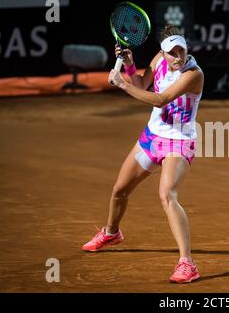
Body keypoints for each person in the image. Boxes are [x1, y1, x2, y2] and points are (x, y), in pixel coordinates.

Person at [82, 25, 204, 284]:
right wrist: (129, 66)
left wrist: (121, 86)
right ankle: (111, 232)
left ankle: (188, 263)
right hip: (152, 138)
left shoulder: (193, 74)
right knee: (119, 190)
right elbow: (142, 84)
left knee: (167, 195)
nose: (178, 57)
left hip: (178, 142)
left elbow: (160, 99)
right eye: (172, 52)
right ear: (162, 52)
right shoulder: (159, 60)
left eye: (181, 51)